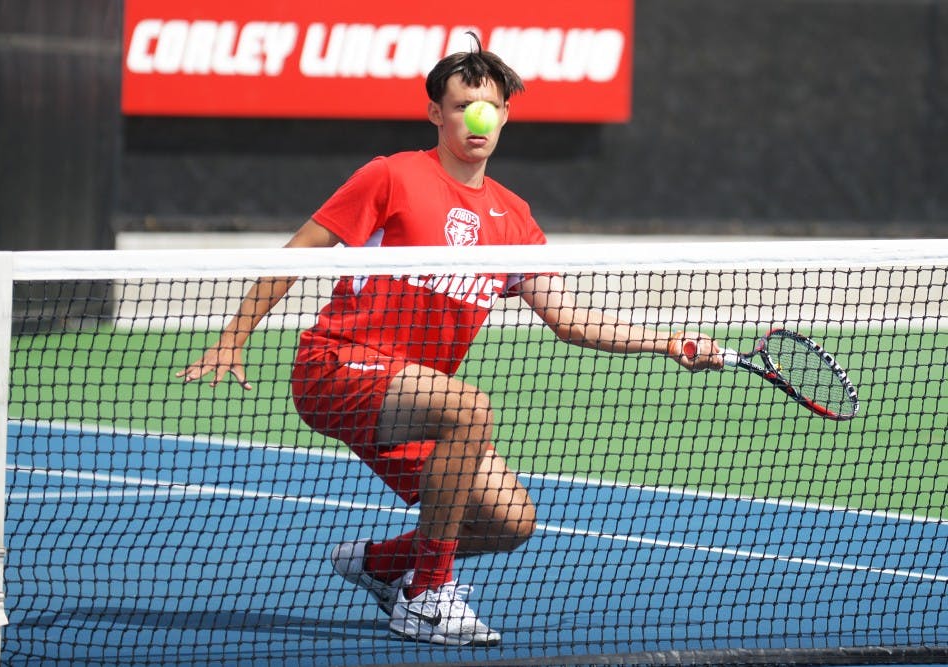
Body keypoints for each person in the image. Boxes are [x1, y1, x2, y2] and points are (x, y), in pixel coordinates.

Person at [178, 35, 723, 647]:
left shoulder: (514, 219)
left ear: (507, 115)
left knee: (508, 522)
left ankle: (382, 564)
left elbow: (570, 322)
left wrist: (667, 340)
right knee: (470, 408)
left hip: (414, 400)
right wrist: (233, 336)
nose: (477, 118)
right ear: (437, 113)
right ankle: (428, 596)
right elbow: (302, 250)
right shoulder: (391, 176)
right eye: (463, 104)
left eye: (489, 105)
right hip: (337, 367)